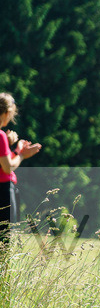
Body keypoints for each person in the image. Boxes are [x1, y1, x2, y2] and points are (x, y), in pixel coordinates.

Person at [0, 93, 42, 245]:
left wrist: (9, 146)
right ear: (7, 113)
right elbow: (7, 167)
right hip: (3, 190)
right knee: (5, 238)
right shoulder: (0, 136)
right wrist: (21, 154)